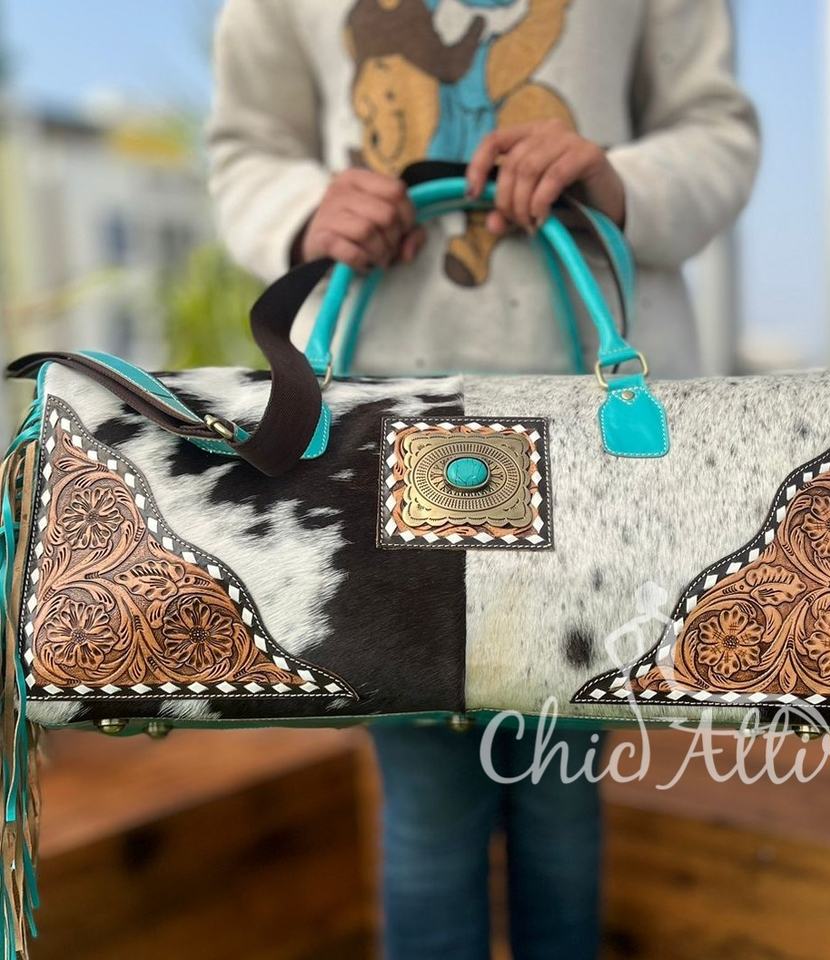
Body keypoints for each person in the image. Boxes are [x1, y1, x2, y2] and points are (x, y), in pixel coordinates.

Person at [207, 2, 759, 957]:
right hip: (372, 438)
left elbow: (715, 128)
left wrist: (617, 178)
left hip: (591, 447)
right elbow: (247, 146)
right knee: (440, 798)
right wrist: (305, 210)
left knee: (556, 791)